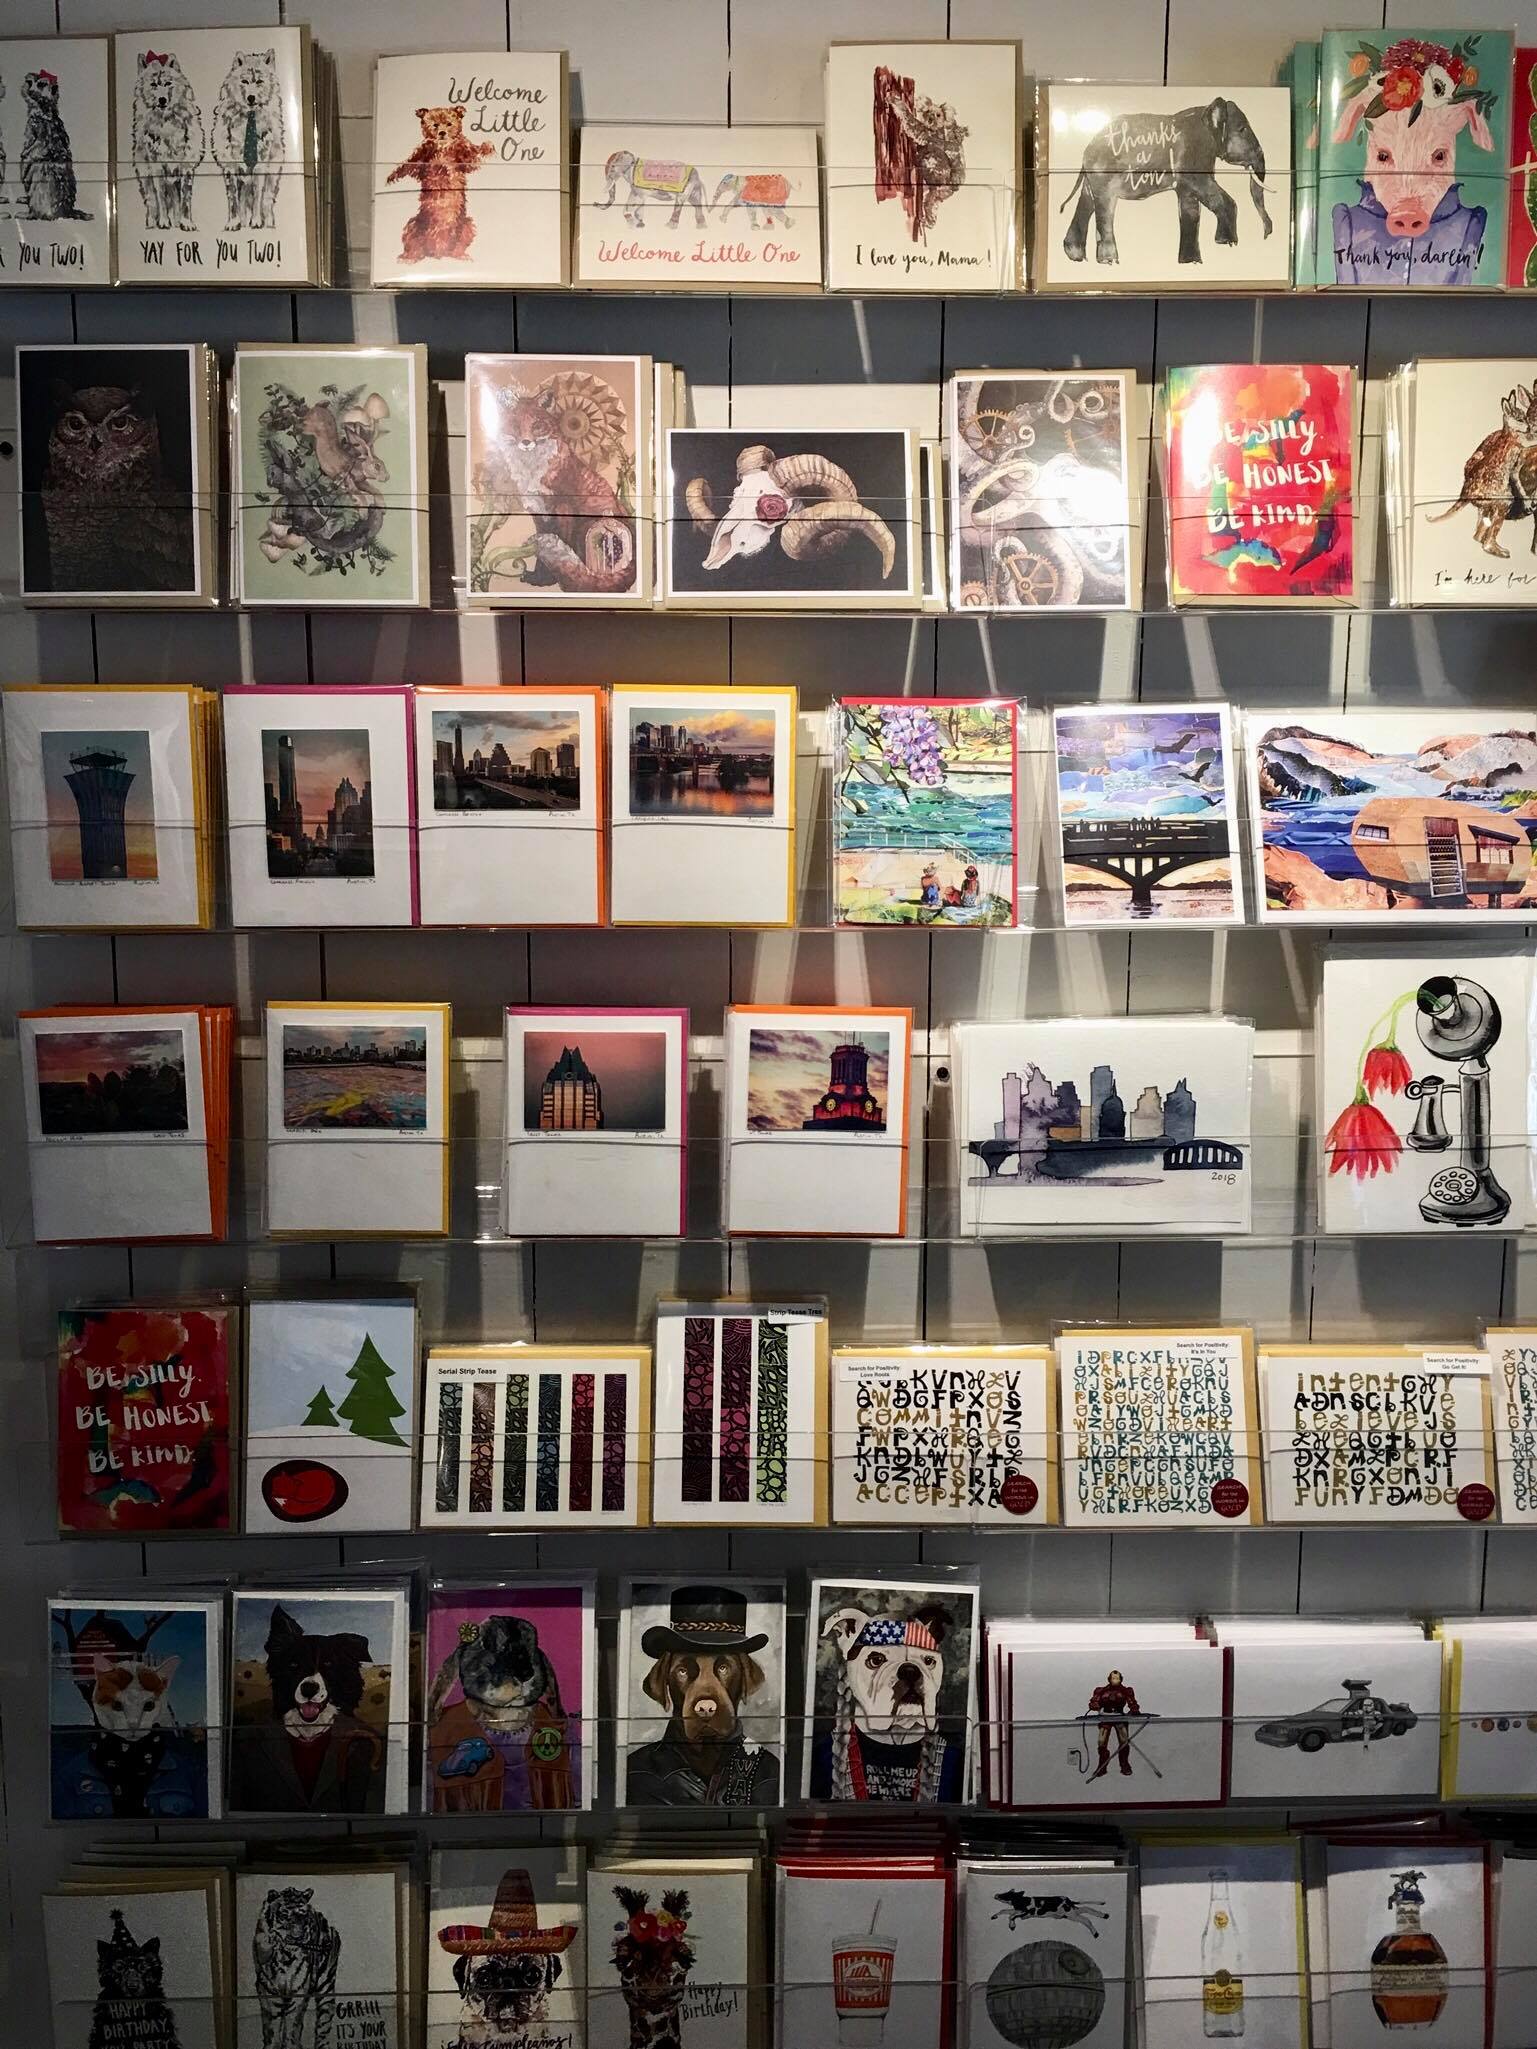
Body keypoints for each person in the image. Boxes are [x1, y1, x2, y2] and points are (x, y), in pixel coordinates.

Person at [1086, 1668, 1140, 1779]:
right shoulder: (1101, 1691)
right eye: (1113, 1678)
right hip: (1105, 1717)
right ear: (1109, 1679)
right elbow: (1094, 1702)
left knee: (1124, 1740)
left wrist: (1134, 1709)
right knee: (1101, 1741)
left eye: (1117, 1678)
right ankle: (1102, 1766)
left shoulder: (1126, 1691)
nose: (1115, 1680)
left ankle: (1124, 1764)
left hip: (1120, 1717)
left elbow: (1132, 1702)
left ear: (1121, 1679)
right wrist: (1095, 1705)